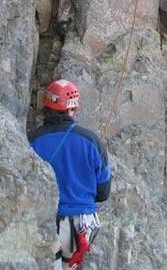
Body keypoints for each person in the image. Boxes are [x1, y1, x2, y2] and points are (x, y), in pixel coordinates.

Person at [28, 79, 111, 270]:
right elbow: (103, 192)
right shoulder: (92, 141)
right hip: (81, 223)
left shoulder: (31, 140)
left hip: (44, 218)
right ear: (73, 108)